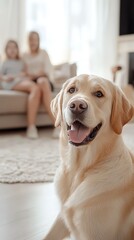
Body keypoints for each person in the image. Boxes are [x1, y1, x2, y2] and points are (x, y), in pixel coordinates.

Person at [0, 40, 41, 139]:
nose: (12, 50)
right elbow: (1, 76)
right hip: (9, 83)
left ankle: (31, 126)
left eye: (14, 47)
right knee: (35, 88)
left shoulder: (22, 62)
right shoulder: (4, 63)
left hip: (21, 80)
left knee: (36, 89)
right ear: (6, 50)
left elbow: (27, 74)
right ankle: (31, 126)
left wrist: (23, 75)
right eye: (9, 48)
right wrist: (6, 78)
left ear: (18, 49)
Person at [23, 31, 55, 127]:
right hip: (32, 83)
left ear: (38, 41)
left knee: (42, 81)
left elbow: (47, 70)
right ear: (27, 41)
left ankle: (56, 124)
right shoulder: (24, 55)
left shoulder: (43, 53)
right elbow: (24, 73)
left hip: (45, 81)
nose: (32, 42)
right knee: (36, 89)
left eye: (35, 39)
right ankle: (31, 127)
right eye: (30, 39)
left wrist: (35, 74)